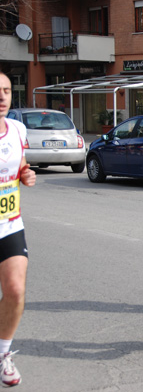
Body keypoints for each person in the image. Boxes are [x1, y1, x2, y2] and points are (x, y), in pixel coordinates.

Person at [0, 72, 37, 387]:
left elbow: (20, 162)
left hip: (9, 222)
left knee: (14, 290)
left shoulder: (17, 129)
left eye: (7, 91)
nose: (2, 97)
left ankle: (3, 354)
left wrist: (25, 173)